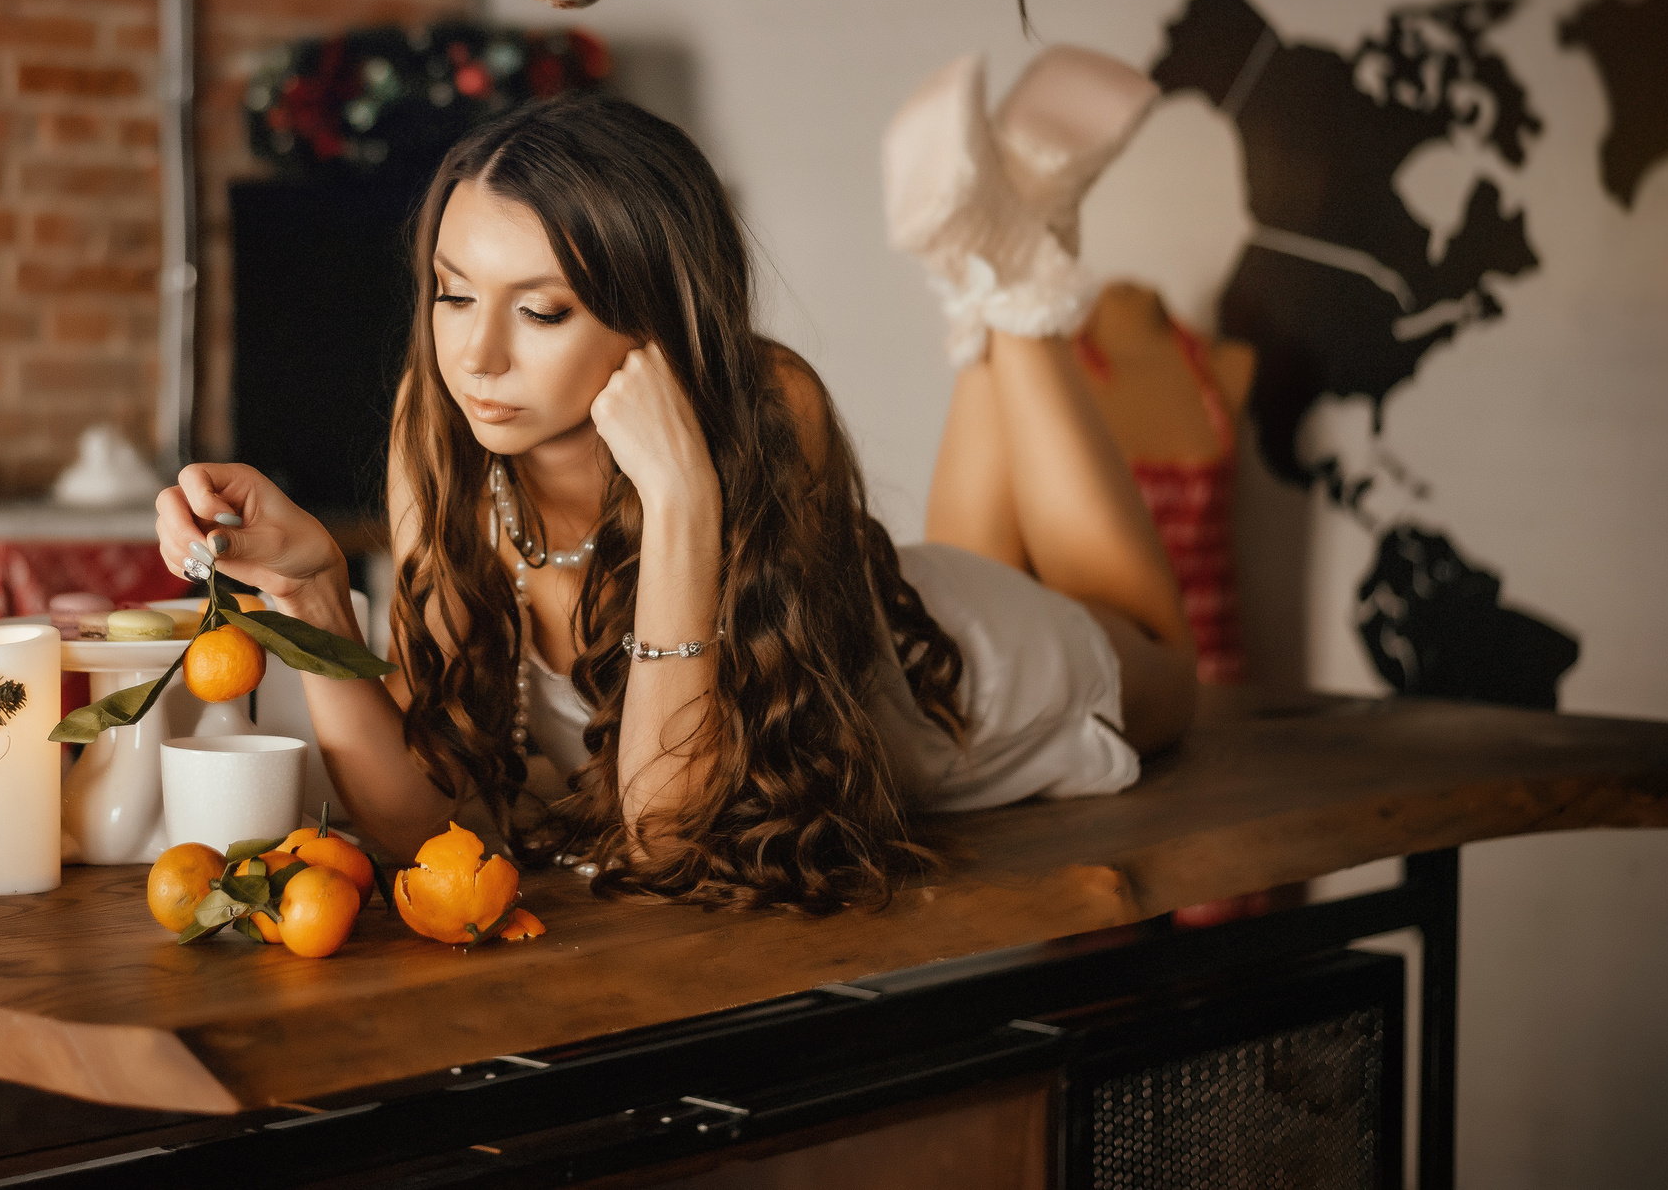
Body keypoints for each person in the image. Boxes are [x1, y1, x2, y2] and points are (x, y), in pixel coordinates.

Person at [156, 61, 1195, 911]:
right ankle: (984, 260)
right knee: (953, 552)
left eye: (543, 310)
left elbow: (662, 830)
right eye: (453, 291)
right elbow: (417, 833)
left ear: (652, 316)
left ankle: (1012, 274)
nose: (474, 355)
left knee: (1163, 660)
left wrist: (683, 500)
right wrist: (313, 597)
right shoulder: (437, 428)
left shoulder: (765, 401)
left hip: (964, 681)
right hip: (888, 601)